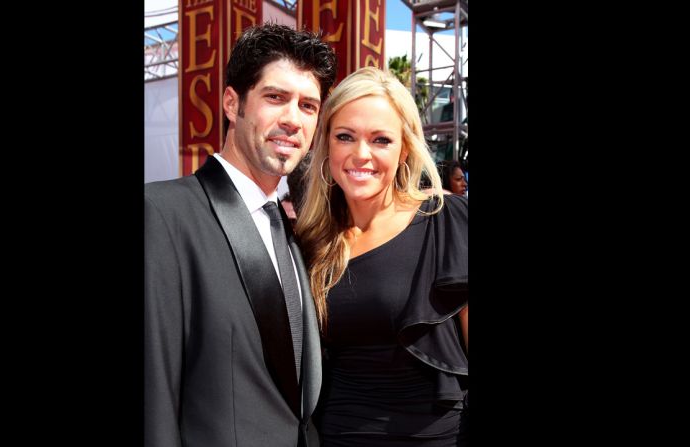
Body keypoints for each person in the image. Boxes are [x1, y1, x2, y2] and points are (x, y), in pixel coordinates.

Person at [145, 23, 337, 447]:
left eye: (308, 105)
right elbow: (152, 391)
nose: (292, 119)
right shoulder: (161, 213)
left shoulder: (291, 231)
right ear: (233, 104)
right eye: (275, 97)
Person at [296, 67, 468, 446]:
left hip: (435, 438)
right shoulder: (311, 240)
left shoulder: (447, 221)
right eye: (345, 137)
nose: (361, 154)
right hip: (338, 434)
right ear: (328, 143)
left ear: (404, 148)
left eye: (381, 140)